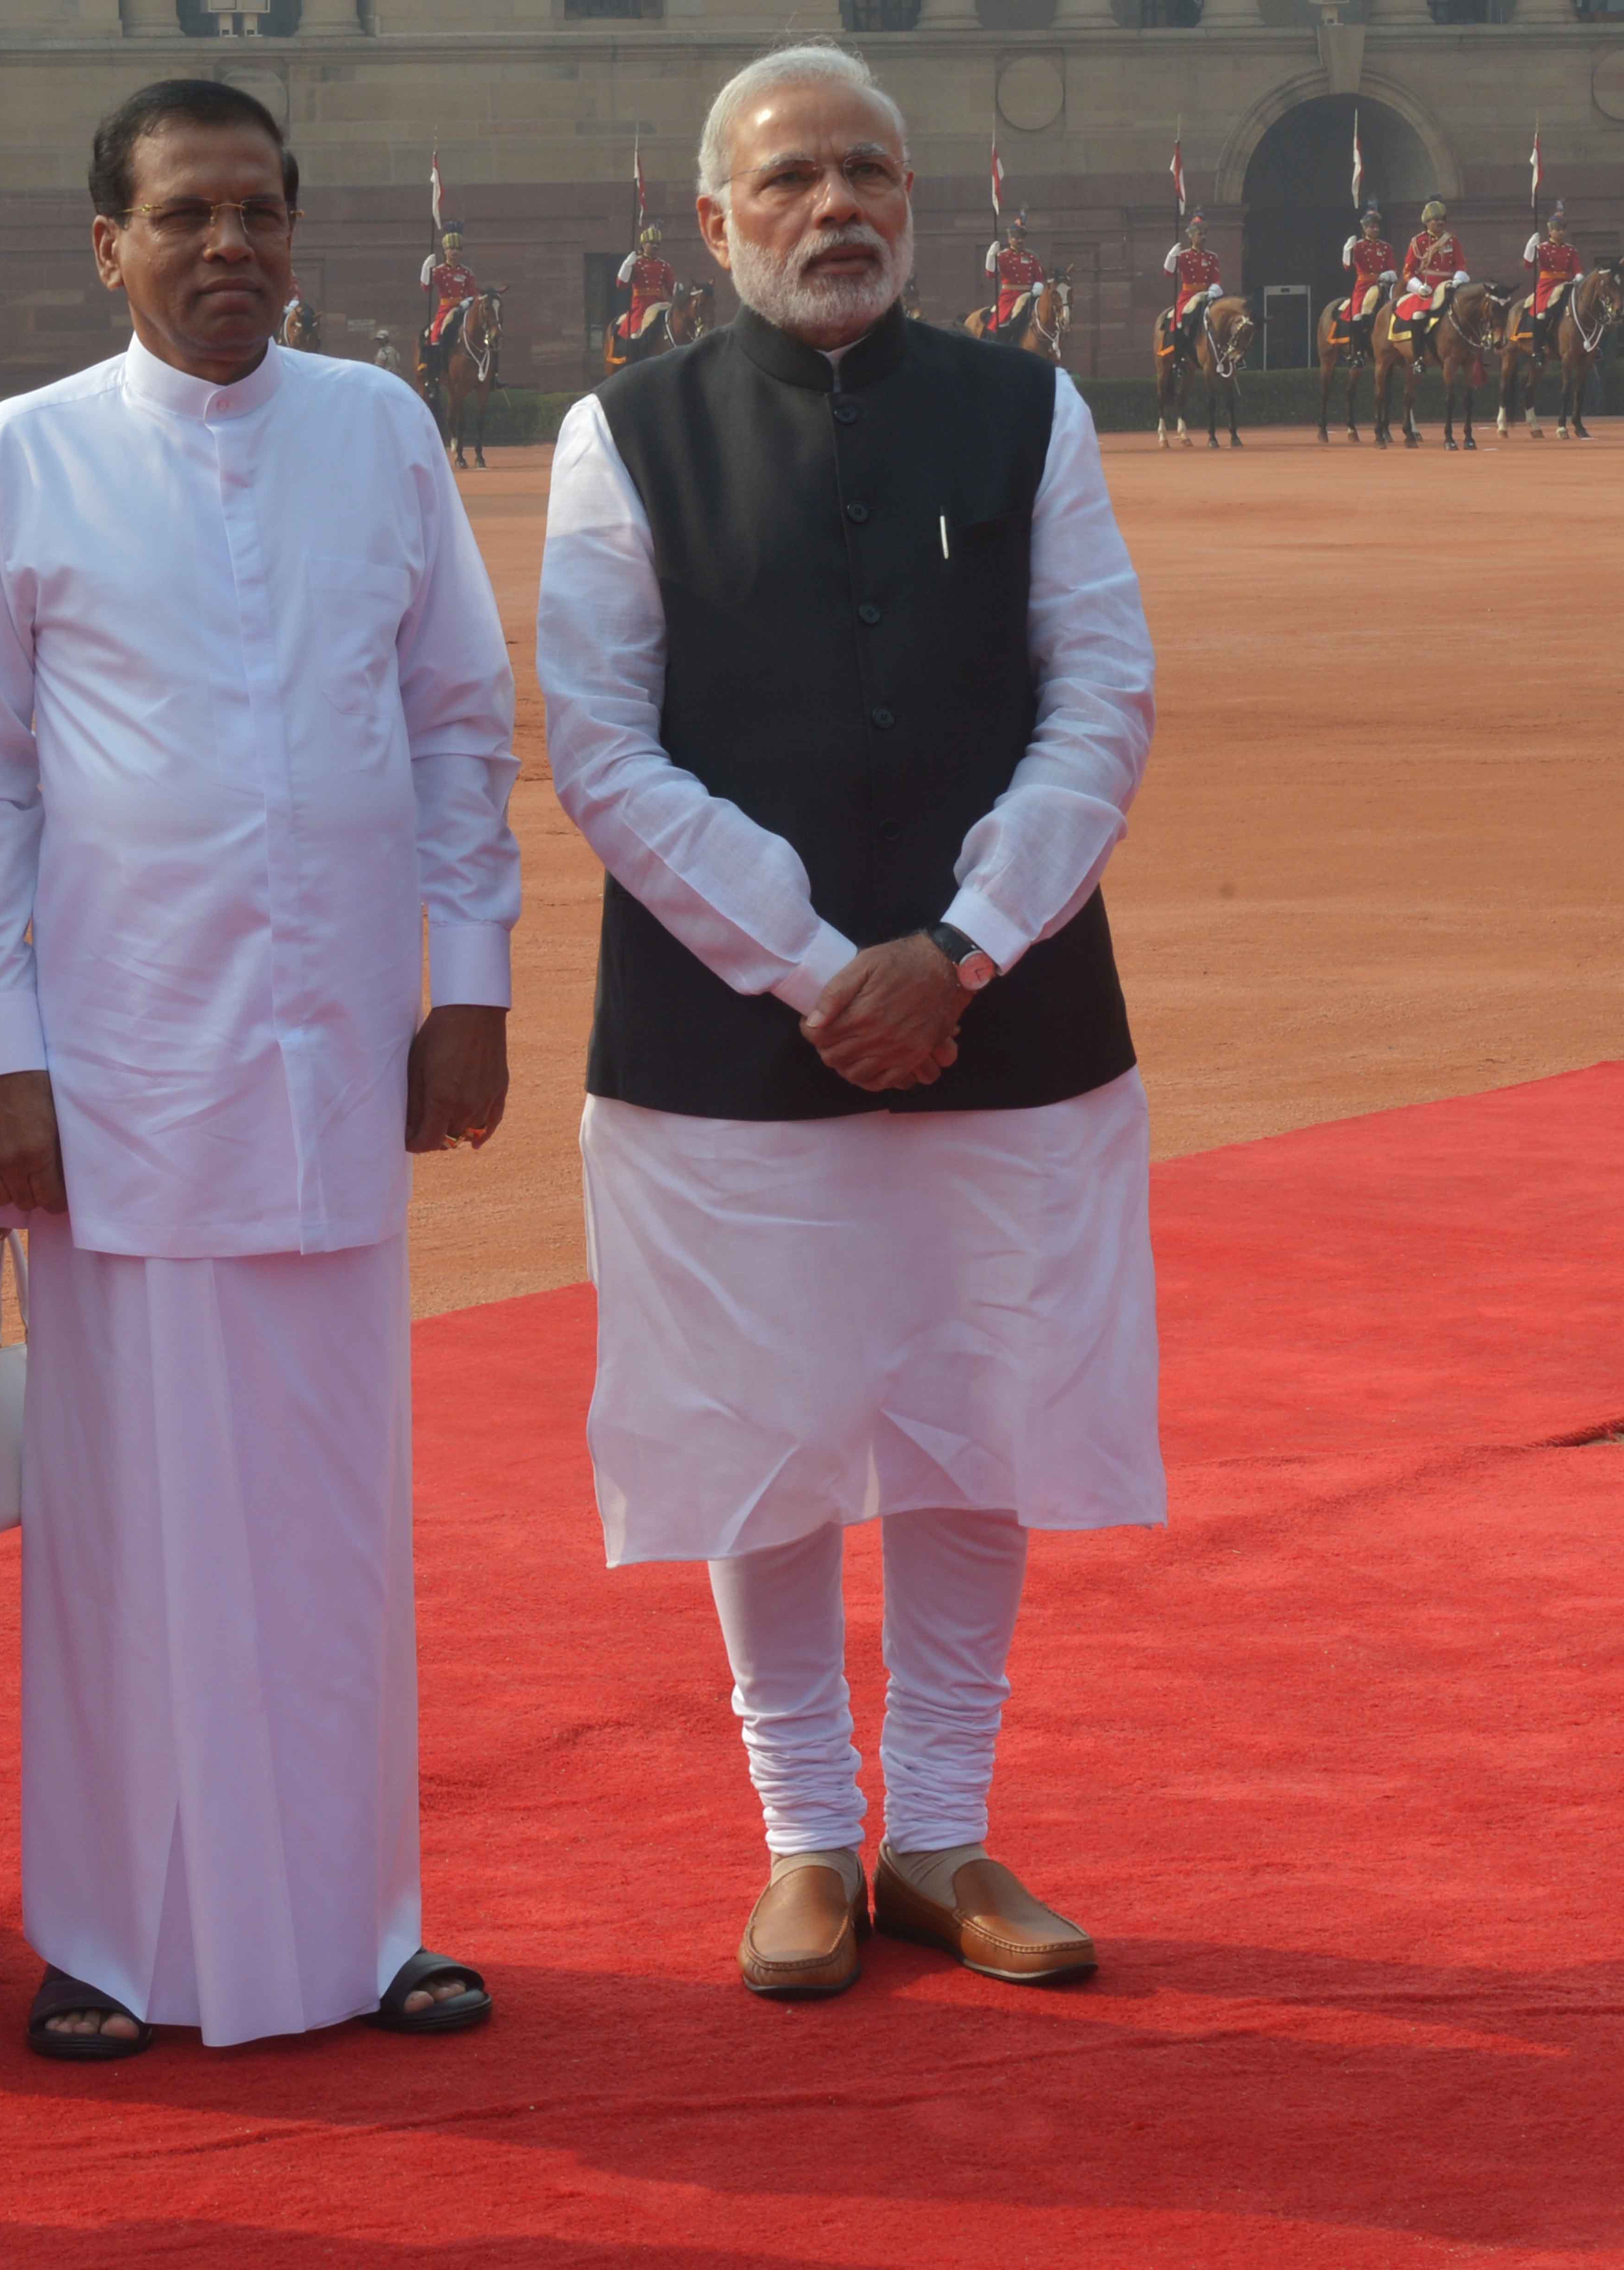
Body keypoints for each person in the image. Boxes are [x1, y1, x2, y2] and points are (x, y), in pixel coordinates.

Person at [536, 43, 1159, 2005]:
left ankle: (944, 1830)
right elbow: (601, 748)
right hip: (735, 1042)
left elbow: (1103, 699)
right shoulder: (623, 435)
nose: (838, 208)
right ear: (713, 220)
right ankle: (806, 1834)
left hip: (1009, 1011)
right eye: (793, 177)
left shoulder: (1027, 409)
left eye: (868, 171)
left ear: (918, 200)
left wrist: (960, 945)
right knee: (766, 1433)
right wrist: (824, 966)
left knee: (980, 1417)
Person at [0, 78, 516, 2059]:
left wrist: (476, 984)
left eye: (256, 210)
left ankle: (366, 1927)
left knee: (336, 1510)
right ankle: (111, 1930)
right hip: (119, 1068)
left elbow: (456, 722)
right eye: (182, 216)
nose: (226, 247)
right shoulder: (23, 455)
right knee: (126, 1514)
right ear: (108, 245)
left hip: (343, 1052)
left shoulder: (381, 429)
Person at [418, 225, 483, 393]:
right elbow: (426, 287)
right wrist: (427, 269)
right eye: (451, 249)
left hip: (465, 307)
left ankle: (491, 375)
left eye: (458, 249)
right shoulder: (439, 271)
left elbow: (474, 293)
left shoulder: (467, 273)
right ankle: (432, 372)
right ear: (445, 251)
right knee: (435, 335)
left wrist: (468, 303)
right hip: (447, 309)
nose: (455, 252)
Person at [1396, 199, 1466, 338]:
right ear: (1427, 222)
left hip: (1450, 286)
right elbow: (1408, 272)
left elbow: (1461, 265)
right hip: (1427, 290)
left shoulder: (1453, 241)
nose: (1441, 223)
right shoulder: (1418, 242)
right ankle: (1419, 358)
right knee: (1418, 316)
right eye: (1436, 219)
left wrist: (1458, 280)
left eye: (1443, 219)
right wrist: (1419, 287)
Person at [1160, 214, 1222, 364]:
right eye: (1200, 234)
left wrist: (1215, 289)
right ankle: (1179, 354)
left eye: (1204, 234)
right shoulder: (1184, 256)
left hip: (1209, 294)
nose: (1203, 237)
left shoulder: (1212, 257)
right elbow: (1169, 273)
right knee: (1182, 320)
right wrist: (1171, 257)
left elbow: (1216, 279)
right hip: (1189, 295)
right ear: (1192, 237)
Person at [1338, 207, 1401, 336]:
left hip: (1383, 284)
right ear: (1365, 229)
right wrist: (1348, 250)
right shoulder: (1359, 246)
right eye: (1372, 227)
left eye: (1377, 227)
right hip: (1364, 286)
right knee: (1357, 316)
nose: (1376, 229)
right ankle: (1357, 351)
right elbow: (1348, 267)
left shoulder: (1386, 247)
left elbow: (1394, 269)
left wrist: (1387, 275)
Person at [984, 210, 1045, 340]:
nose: (1019, 241)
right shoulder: (1003, 256)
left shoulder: (1031, 257)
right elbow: (991, 275)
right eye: (1016, 238)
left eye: (1022, 238)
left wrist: (1039, 285)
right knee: (1003, 322)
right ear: (1010, 239)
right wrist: (991, 257)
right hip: (1010, 296)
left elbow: (1039, 277)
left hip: (1030, 294)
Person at [1520, 205, 1583, 327]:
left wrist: (1579, 276)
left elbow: (1577, 269)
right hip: (1548, 286)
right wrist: (1531, 247)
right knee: (1541, 315)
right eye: (1558, 229)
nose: (1561, 232)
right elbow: (1528, 265)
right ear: (1550, 231)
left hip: (1567, 284)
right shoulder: (1542, 248)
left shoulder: (1571, 250)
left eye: (1563, 229)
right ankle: (1539, 343)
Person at [616, 220, 677, 347]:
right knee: (635, 336)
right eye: (652, 243)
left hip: (660, 306)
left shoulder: (664, 266)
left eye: (658, 244)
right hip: (641, 308)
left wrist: (680, 290)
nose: (656, 246)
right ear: (643, 245)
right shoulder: (636, 263)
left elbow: (672, 289)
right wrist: (627, 265)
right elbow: (621, 284)